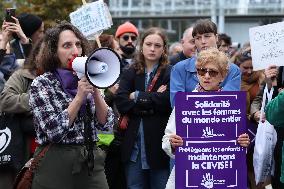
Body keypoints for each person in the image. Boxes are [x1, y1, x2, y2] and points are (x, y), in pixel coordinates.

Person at [28, 22, 114, 189]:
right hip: (55, 162)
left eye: (78, 44)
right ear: (53, 51)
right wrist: (79, 97)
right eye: (67, 45)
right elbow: (53, 131)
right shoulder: (42, 84)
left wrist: (96, 92)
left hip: (90, 159)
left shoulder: (86, 80)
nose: (75, 50)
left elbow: (107, 125)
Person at [162, 48, 250, 189]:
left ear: (223, 76)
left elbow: (236, 146)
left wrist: (243, 143)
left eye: (213, 72)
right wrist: (173, 143)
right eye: (202, 71)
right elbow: (167, 139)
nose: (206, 76)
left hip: (223, 175)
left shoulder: (231, 104)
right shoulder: (185, 103)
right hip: (190, 174)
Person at [115, 27, 172, 189]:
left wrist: (138, 96)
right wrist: (153, 101)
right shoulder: (130, 71)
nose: (152, 49)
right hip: (134, 148)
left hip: (159, 148)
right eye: (148, 44)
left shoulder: (170, 72)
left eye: (157, 45)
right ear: (142, 46)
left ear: (164, 49)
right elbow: (121, 102)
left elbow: (167, 102)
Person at [0, 38, 44, 189]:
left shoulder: (71, 78)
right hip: (25, 152)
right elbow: (5, 100)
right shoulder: (23, 76)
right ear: (37, 55)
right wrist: (38, 98)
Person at [170, 19, 241, 106]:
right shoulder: (179, 68)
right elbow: (177, 103)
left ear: (216, 37)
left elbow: (230, 102)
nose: (203, 41)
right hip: (189, 118)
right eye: (198, 38)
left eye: (207, 36)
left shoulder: (233, 70)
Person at [92, 34, 126, 189]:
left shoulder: (120, 72)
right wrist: (111, 93)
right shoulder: (93, 74)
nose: (120, 52)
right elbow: (94, 106)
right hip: (102, 143)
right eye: (117, 49)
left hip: (117, 139)